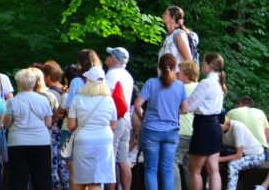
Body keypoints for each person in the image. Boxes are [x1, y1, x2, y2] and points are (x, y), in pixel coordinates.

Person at [133, 54, 189, 190]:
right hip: (171, 132)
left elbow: (137, 105)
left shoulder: (151, 83)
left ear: (159, 67)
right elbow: (185, 109)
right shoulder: (180, 86)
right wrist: (172, 112)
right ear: (176, 67)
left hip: (151, 130)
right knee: (167, 170)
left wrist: (142, 118)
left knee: (151, 169)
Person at [68, 66, 117, 190]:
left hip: (83, 140)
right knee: (96, 181)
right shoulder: (109, 100)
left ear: (87, 81)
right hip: (104, 141)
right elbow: (114, 124)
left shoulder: (77, 99)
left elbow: (71, 125)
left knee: (81, 180)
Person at [6, 68, 53, 190]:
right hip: (40, 142)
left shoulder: (13, 101)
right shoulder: (44, 100)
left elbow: (7, 124)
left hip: (17, 142)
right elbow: (48, 123)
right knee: (42, 179)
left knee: (18, 179)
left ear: (19, 84)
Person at [187, 53, 227, 190]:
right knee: (213, 169)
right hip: (215, 126)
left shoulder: (206, 83)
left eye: (203, 62)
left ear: (210, 65)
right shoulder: (219, 83)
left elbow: (189, 106)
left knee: (194, 170)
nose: (201, 65)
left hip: (203, 127)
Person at [103, 47, 134, 190]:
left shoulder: (111, 74)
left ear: (113, 59)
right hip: (126, 120)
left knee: (110, 160)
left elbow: (106, 97)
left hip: (114, 121)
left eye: (109, 55)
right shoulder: (128, 76)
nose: (107, 57)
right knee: (123, 160)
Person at [39, 61, 70, 190]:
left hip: (53, 132)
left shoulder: (49, 93)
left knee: (53, 164)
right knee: (63, 162)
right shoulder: (65, 90)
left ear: (47, 76)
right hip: (66, 131)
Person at [174, 60, 199, 190]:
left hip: (181, 130)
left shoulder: (180, 88)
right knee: (190, 168)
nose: (177, 74)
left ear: (186, 73)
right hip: (196, 132)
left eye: (179, 72)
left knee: (172, 163)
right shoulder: (200, 87)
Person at [220, 117, 265, 190]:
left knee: (233, 164)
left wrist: (219, 159)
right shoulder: (217, 130)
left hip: (256, 156)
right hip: (238, 153)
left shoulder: (237, 127)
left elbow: (238, 155)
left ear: (225, 123)